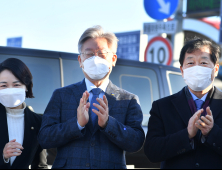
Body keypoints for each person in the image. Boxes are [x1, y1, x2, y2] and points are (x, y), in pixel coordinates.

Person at [38, 25, 145, 169]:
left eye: (101, 54)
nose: (95, 59)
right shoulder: (61, 95)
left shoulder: (128, 100)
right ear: (80, 60)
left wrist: (108, 124)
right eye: (89, 54)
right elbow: (44, 138)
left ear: (113, 59)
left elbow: (136, 142)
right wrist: (76, 124)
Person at [144, 38, 222, 169]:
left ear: (215, 69)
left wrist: (212, 132)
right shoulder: (162, 107)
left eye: (203, 62)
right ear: (182, 70)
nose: (197, 68)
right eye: (190, 63)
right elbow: (152, 152)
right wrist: (186, 134)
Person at [0, 58, 48, 169]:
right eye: (3, 86)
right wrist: (3, 156)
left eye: (16, 85)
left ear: (26, 86)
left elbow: (40, 165)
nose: (10, 90)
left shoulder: (38, 122)